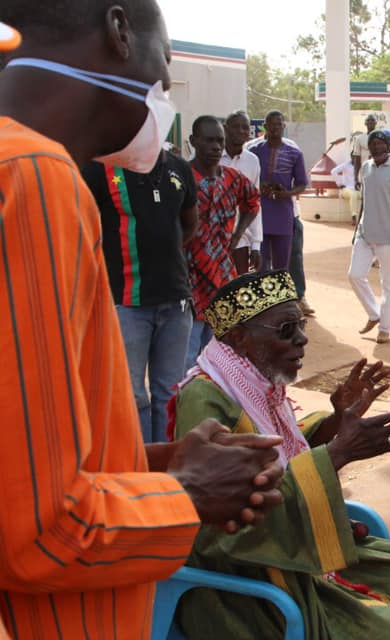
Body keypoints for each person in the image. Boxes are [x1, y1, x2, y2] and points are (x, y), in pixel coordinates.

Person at [0, 6, 292, 637]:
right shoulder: (31, 177)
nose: (163, 90)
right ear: (118, 31)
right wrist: (188, 493)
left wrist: (158, 462)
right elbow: (42, 532)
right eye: (164, 67)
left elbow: (28, 456)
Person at [170, 270, 390, 640]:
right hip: (246, 587)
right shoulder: (205, 398)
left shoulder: (255, 384)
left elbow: (281, 450)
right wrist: (336, 453)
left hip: (298, 554)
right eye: (286, 329)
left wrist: (337, 422)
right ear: (239, 338)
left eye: (301, 325)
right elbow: (215, 533)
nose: (302, 340)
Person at [81, 149, 198, 443]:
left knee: (169, 392)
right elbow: (81, 225)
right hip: (126, 303)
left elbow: (189, 224)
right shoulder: (101, 170)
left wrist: (162, 259)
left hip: (175, 300)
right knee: (131, 393)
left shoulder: (179, 169)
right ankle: (139, 466)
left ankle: (164, 467)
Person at [184, 115, 259, 366]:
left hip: (222, 279)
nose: (216, 147)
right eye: (209, 141)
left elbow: (253, 201)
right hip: (190, 280)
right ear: (194, 141)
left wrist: (238, 234)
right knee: (189, 359)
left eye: (220, 141)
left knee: (221, 356)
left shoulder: (232, 178)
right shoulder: (181, 177)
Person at [349, 129, 390, 344]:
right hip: (365, 233)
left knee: (388, 284)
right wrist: (357, 226)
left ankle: (384, 328)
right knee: (354, 275)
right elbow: (364, 200)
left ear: (388, 145)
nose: (376, 147)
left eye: (380, 143)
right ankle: (374, 314)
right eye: (373, 143)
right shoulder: (366, 167)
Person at [247, 110, 308, 272]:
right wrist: (260, 186)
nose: (275, 128)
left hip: (283, 214)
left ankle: (282, 297)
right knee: (260, 263)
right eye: (271, 124)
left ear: (284, 126)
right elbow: (246, 180)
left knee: (282, 265)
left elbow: (302, 183)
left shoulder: (294, 152)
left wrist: (287, 193)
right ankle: (262, 297)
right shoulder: (253, 151)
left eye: (278, 124)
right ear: (265, 126)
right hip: (259, 214)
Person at [222, 109, 263, 275]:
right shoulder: (210, 157)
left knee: (240, 292)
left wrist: (256, 245)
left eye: (245, 128)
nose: (241, 131)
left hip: (241, 241)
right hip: (211, 240)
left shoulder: (252, 161)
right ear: (225, 128)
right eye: (236, 127)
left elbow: (254, 204)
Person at [352, 113, 379, 186]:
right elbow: (357, 159)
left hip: (379, 173)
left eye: (372, 120)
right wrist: (355, 177)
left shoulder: (380, 136)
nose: (370, 122)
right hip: (364, 173)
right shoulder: (359, 138)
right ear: (365, 123)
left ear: (375, 123)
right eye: (368, 120)